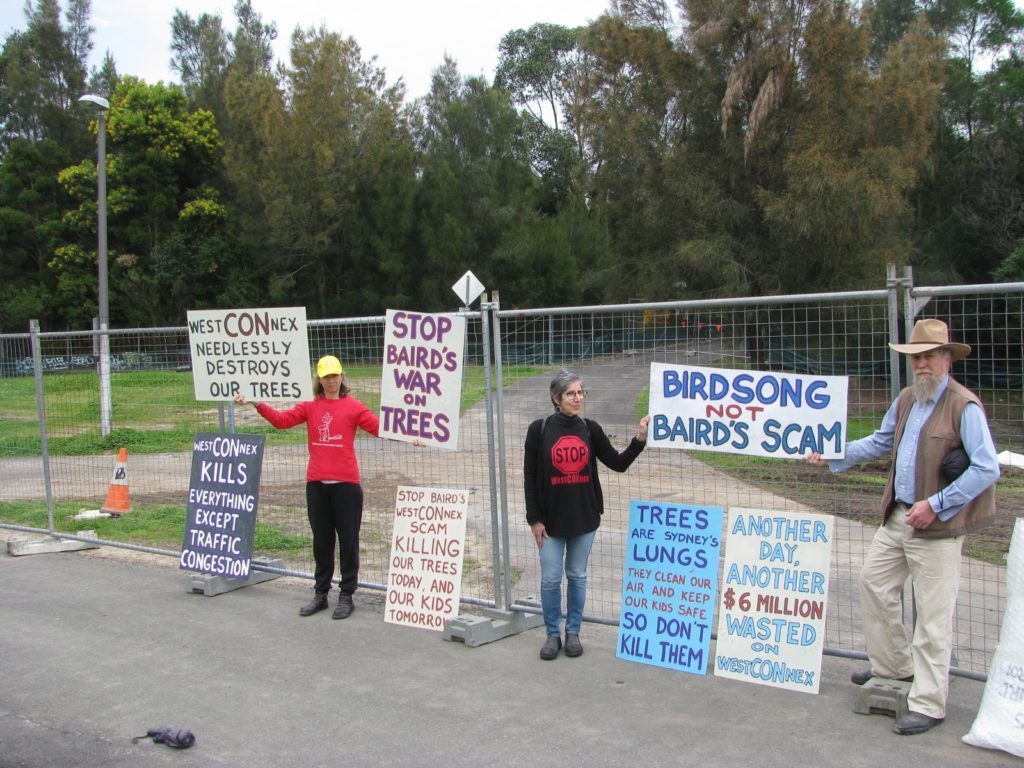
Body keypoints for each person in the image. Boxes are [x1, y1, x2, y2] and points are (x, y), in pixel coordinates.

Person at [805, 319, 999, 735]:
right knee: (874, 582)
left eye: (929, 356)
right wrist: (833, 454)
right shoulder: (909, 399)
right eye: (916, 357)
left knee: (933, 617)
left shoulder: (964, 406)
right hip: (899, 516)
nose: (922, 364)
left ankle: (930, 703)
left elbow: (987, 468)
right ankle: (895, 667)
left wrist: (938, 503)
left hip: (938, 526)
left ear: (948, 359)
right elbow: (879, 441)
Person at [234, 355, 379, 620]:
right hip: (317, 485)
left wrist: (411, 432)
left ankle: (347, 594)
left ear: (342, 376)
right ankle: (321, 593)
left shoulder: (354, 407)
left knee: (348, 541)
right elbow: (281, 420)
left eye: (335, 375)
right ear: (319, 379)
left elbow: (379, 427)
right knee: (322, 541)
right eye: (326, 376)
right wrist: (256, 402)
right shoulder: (311, 407)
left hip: (346, 485)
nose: (331, 381)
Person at [524, 368, 651, 661]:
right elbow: (529, 477)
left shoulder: (590, 429)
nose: (578, 398)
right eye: (571, 393)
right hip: (550, 522)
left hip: (584, 518)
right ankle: (552, 634)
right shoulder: (539, 429)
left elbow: (618, 464)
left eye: (581, 392)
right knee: (551, 579)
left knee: (577, 576)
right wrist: (534, 519)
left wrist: (639, 439)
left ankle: (573, 633)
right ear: (556, 398)